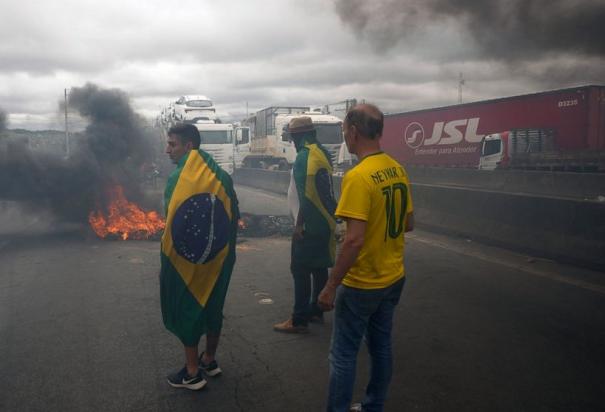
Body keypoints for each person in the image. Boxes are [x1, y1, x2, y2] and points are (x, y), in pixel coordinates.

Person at [318, 104, 414, 412]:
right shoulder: (396, 168)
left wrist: (332, 284)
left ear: (354, 132)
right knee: (381, 346)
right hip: (393, 275)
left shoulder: (358, 176)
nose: (345, 134)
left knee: (343, 354)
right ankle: (374, 406)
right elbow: (408, 223)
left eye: (345, 129)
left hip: (363, 282)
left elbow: (354, 239)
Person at [161, 123, 239, 390]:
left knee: (188, 308)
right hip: (220, 258)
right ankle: (209, 359)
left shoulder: (179, 179)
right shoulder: (222, 176)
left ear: (188, 146)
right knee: (213, 307)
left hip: (188, 262)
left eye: (172, 144)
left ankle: (192, 373)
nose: (167, 150)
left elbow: (172, 224)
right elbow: (233, 216)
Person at [274, 116, 337, 333]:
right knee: (319, 267)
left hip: (311, 223)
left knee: (299, 269)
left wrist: (299, 225)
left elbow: (307, 196)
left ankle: (299, 319)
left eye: (291, 136)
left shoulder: (304, 156)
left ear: (296, 136)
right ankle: (316, 311)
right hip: (325, 221)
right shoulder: (322, 152)